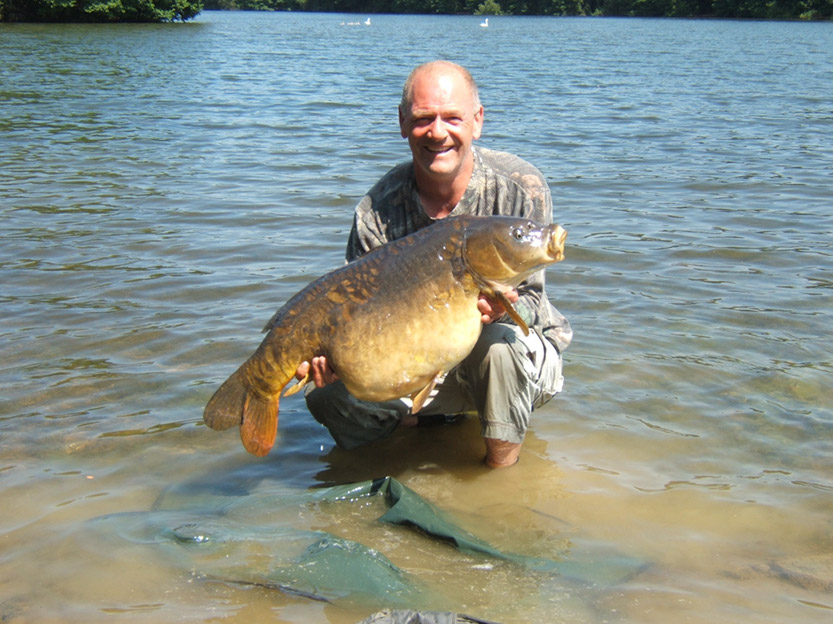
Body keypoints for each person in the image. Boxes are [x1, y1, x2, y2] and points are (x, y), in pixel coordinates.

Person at [295, 60, 572, 468]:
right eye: (424, 119)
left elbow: (533, 301)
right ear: (403, 123)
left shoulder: (519, 188)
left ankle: (501, 478)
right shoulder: (376, 210)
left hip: (511, 360)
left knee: (499, 346)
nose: (437, 132)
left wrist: (502, 310)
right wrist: (335, 360)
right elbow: (359, 316)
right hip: (418, 360)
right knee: (327, 393)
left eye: (452, 118)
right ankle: (399, 457)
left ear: (477, 121)